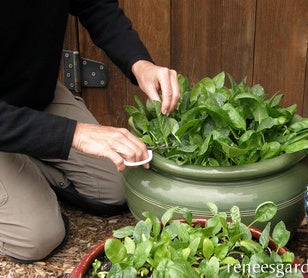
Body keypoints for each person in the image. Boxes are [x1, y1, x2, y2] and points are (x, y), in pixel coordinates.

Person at [0, 0, 180, 263]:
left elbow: (94, 5)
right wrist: (75, 134)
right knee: (37, 237)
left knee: (118, 186)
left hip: (34, 98)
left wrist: (140, 63)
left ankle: (27, 154)